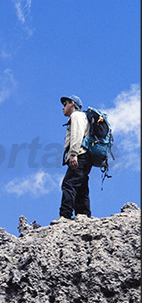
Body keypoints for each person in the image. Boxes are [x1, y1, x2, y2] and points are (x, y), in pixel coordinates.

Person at [52, 95, 92, 225]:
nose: (63, 107)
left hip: (80, 155)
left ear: (72, 103)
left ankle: (65, 215)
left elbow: (77, 135)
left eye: (65, 103)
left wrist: (73, 154)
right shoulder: (81, 116)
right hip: (86, 156)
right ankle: (83, 215)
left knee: (68, 184)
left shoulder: (77, 116)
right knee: (81, 186)